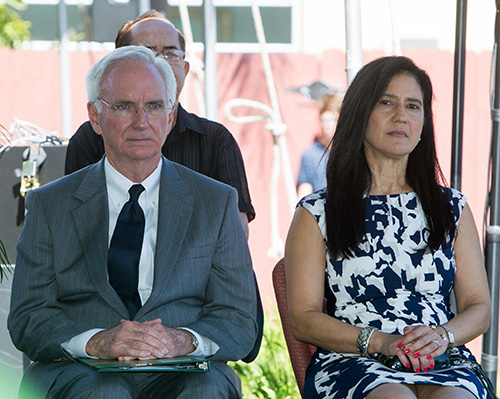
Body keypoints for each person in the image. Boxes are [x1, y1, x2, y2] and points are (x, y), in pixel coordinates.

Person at [8, 46, 257, 399]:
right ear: (95, 116)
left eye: (154, 106)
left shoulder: (215, 202)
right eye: (124, 106)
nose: (142, 122)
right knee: (105, 391)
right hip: (81, 370)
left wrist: (181, 340)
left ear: (170, 116)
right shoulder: (50, 205)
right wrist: (97, 341)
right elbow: (28, 317)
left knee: (204, 390)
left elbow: (239, 320)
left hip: (183, 370)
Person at [284, 56, 492, 399]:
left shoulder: (451, 208)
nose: (401, 116)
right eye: (386, 102)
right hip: (353, 359)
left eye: (413, 106)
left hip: (441, 356)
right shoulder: (316, 211)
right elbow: (303, 318)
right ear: (359, 112)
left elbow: (478, 306)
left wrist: (441, 336)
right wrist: (380, 341)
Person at [64, 9, 255, 238]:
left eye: (171, 53)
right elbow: (76, 230)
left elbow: (236, 237)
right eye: (147, 52)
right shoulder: (91, 138)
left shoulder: (215, 140)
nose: (160, 63)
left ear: (185, 70)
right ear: (118, 65)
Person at [296, 93, 342, 198]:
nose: (327, 125)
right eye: (324, 120)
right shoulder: (309, 154)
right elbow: (304, 190)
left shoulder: (352, 152)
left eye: (332, 120)